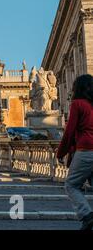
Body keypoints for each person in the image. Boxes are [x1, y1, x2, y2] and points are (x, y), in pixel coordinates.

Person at [57, 74, 93, 230]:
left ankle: (87, 214)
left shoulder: (78, 104)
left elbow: (69, 131)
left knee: (71, 185)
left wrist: (61, 152)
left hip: (86, 150)